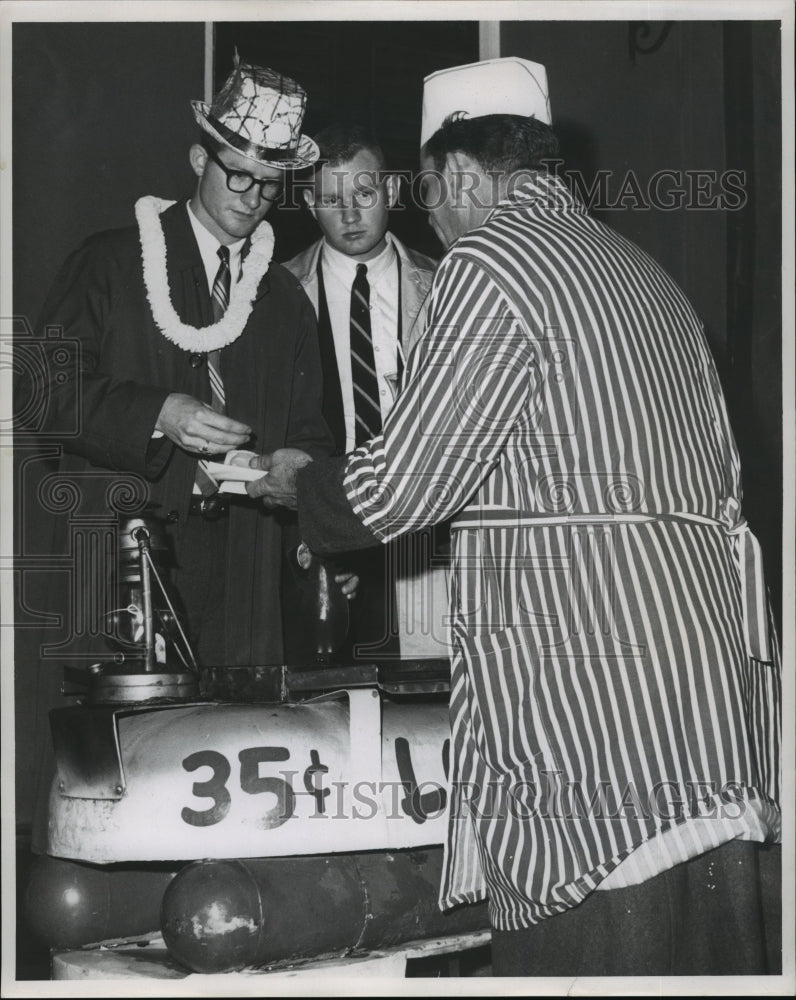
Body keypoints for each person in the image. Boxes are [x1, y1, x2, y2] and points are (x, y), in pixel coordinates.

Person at [247, 57, 782, 976]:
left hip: (593, 718)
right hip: (704, 714)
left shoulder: (492, 262)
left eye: (431, 196)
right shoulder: (646, 272)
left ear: (460, 176)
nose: (433, 219)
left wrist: (300, 485)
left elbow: (404, 485)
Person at [283, 124, 448, 660]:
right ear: (309, 203)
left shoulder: (446, 282)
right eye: (331, 199)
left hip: (428, 533)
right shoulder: (274, 293)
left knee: (430, 698)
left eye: (364, 194)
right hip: (323, 534)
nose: (350, 214)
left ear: (393, 192)